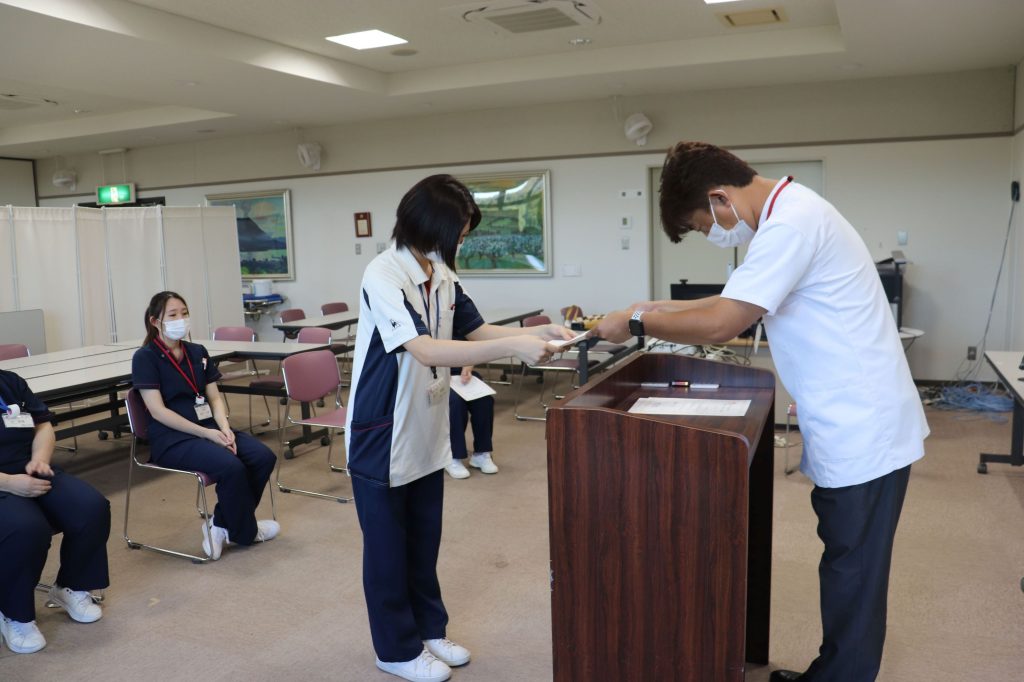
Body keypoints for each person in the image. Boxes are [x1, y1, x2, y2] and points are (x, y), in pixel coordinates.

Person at [595, 141, 928, 682]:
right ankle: (831, 670)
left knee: (854, 572)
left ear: (720, 197)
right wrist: (644, 307)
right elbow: (729, 301)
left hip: (864, 426)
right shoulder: (791, 213)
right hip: (850, 418)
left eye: (705, 227)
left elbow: (725, 321)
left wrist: (637, 325)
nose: (714, 236)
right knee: (846, 563)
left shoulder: (790, 226)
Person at [345, 174, 571, 682]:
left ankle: (428, 630)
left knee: (424, 541)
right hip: (383, 430)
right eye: (459, 232)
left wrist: (534, 333)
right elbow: (423, 349)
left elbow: (475, 330)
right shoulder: (383, 273)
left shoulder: (442, 273)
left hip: (425, 426)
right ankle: (395, 649)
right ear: (430, 224)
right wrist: (513, 347)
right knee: (387, 550)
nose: (462, 242)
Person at [131, 291, 278, 561]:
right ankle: (244, 531)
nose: (181, 320)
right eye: (173, 315)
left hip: (209, 427)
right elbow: (157, 411)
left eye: (184, 313)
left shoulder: (197, 352)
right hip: (172, 438)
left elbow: (213, 397)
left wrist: (225, 428)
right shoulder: (145, 357)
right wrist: (207, 433)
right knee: (231, 466)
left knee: (262, 456)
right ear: (155, 321)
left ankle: (220, 524)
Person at [0, 369, 110, 654]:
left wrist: (39, 459)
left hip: (30, 470)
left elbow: (43, 425)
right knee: (27, 529)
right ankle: (14, 613)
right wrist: (10, 482)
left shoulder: (9, 381)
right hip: (3, 482)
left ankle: (71, 586)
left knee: (91, 507)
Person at [444, 361, 497, 479]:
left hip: (462, 372)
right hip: (436, 374)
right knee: (456, 403)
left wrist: (468, 366)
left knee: (485, 400)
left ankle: (481, 453)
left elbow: (472, 350)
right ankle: (452, 456)